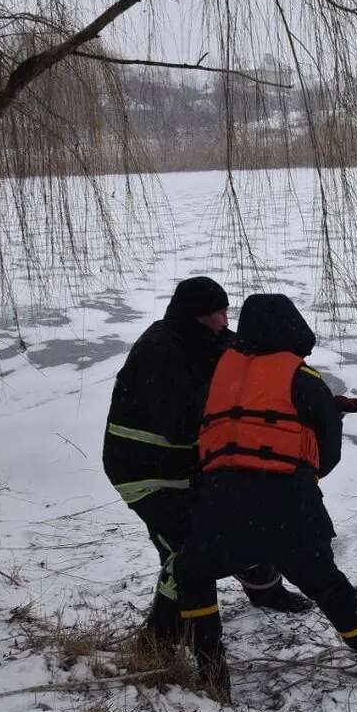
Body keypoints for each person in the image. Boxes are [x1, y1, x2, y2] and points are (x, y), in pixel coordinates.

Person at [173, 293, 357, 702]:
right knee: (329, 587)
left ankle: (213, 677)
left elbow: (228, 424)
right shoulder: (305, 379)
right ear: (294, 329)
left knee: (193, 574)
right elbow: (327, 455)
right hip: (288, 510)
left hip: (220, 506)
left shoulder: (218, 378)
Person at [103, 277, 313, 651]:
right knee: (187, 551)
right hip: (143, 470)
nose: (224, 320)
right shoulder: (159, 350)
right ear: (193, 316)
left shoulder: (219, 342)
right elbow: (180, 427)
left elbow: (261, 383)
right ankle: (159, 639)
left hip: (193, 465)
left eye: (225, 310)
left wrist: (317, 406)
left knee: (247, 514)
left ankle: (265, 591)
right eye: (215, 314)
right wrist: (226, 390)